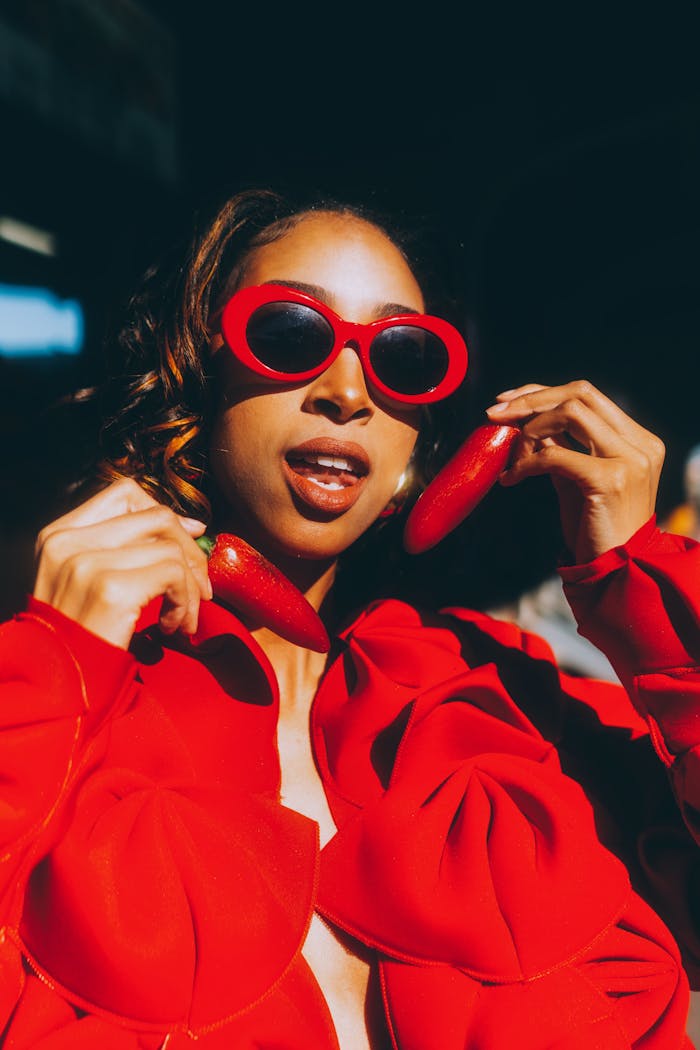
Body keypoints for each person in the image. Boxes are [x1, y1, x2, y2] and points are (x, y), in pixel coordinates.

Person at [0, 186, 699, 1050]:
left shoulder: (510, 699)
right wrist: (50, 668)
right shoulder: (60, 692)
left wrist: (646, 595)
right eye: (291, 335)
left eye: (403, 356)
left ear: (421, 435)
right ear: (197, 371)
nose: (347, 390)